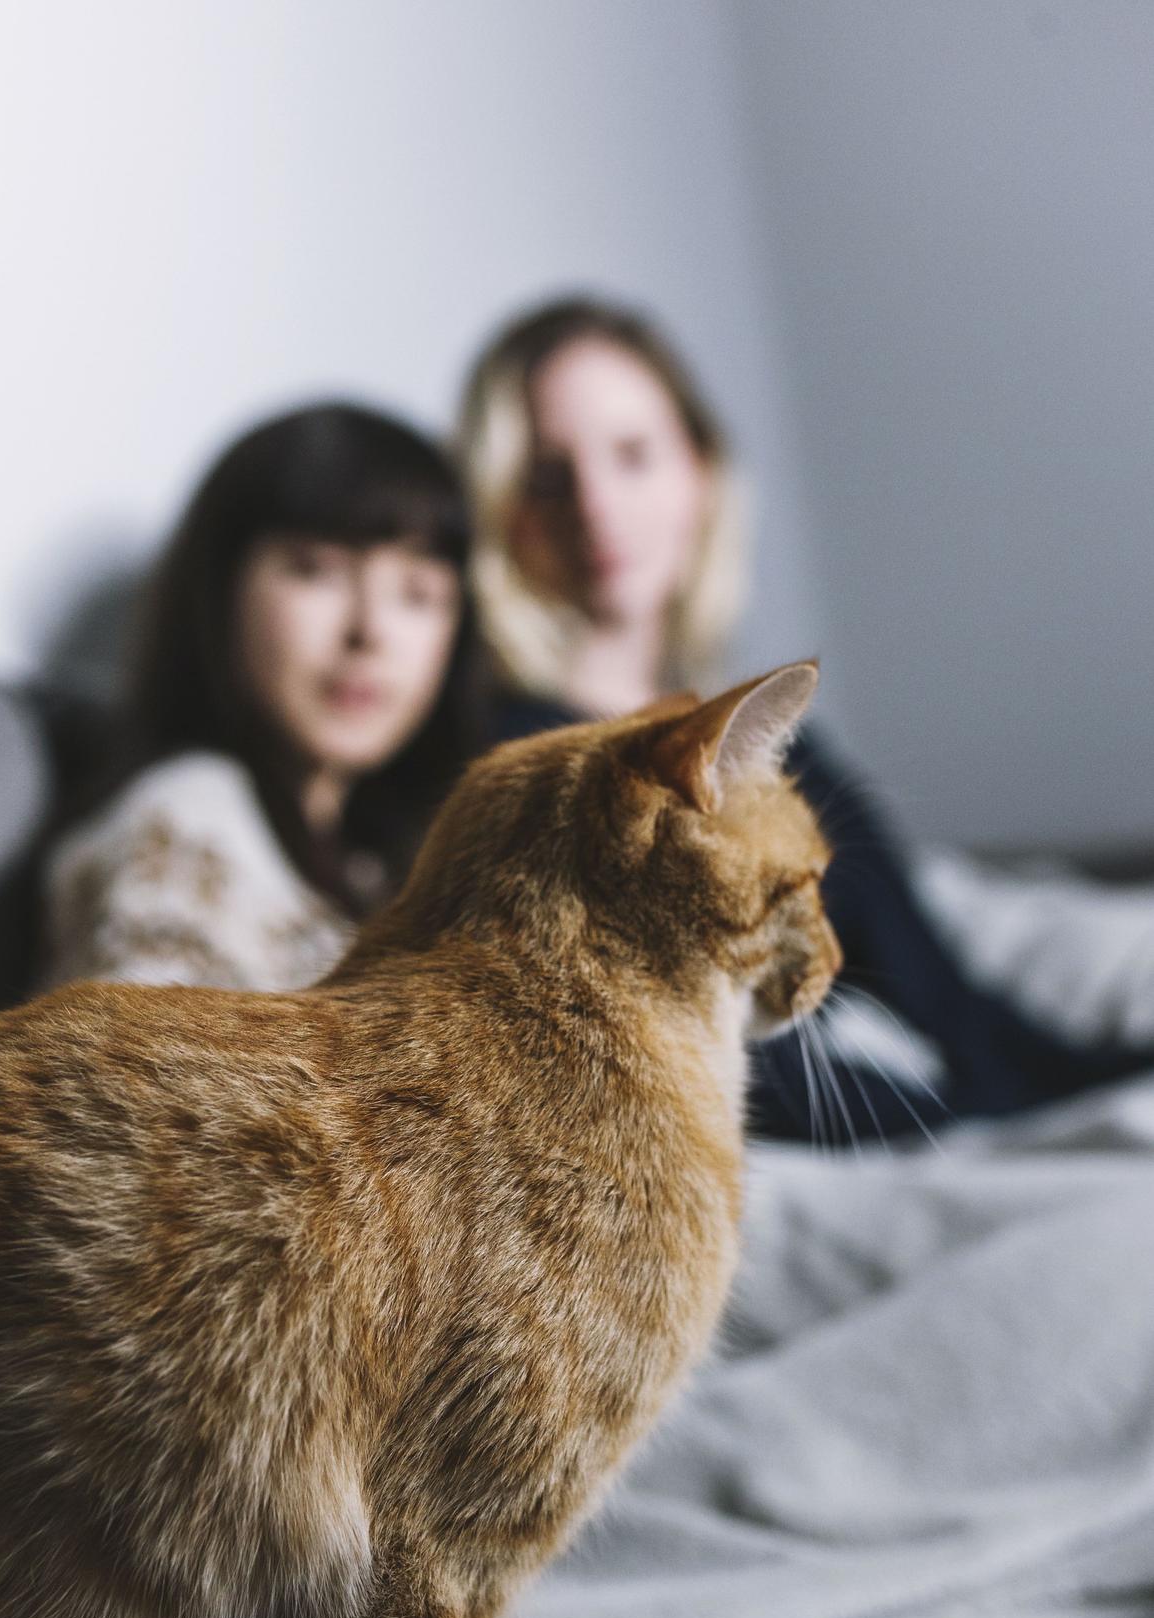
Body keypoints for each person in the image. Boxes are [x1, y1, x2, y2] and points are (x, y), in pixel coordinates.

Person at [458, 294, 1152, 1142]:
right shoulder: (515, 767)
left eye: (633, 455)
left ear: (699, 473)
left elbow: (948, 1004)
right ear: (502, 511)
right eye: (547, 475)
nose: (595, 505)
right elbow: (736, 1069)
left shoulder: (779, 751)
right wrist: (965, 1125)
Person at [44, 401, 540, 995]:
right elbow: (129, 1081)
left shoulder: (382, 863)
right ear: (219, 591)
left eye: (418, 593)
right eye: (317, 572)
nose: (370, 632)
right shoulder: (185, 824)